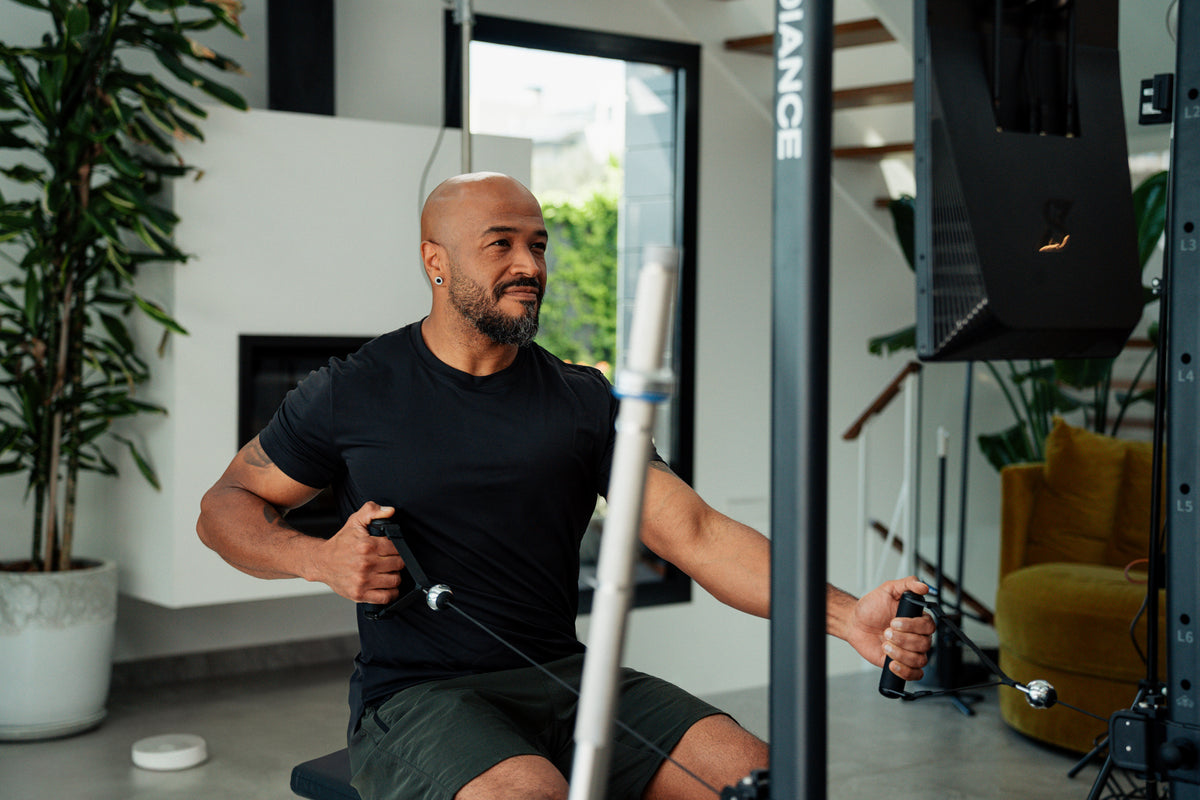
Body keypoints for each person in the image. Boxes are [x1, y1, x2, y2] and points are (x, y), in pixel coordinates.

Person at [196, 172, 934, 800]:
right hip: (418, 697)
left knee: (764, 779)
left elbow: (697, 535)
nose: (530, 264)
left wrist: (846, 617)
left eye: (539, 244)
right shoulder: (353, 391)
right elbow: (224, 506)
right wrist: (317, 559)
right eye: (502, 245)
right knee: (533, 793)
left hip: (569, 677)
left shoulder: (583, 401)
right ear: (437, 263)